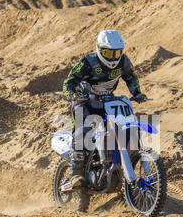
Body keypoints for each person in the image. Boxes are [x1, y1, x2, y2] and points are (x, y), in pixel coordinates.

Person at [62, 29, 147, 187]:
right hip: (84, 101)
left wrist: (137, 93)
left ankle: (114, 165)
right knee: (83, 131)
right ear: (99, 49)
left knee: (119, 129)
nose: (113, 58)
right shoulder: (88, 61)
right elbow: (69, 81)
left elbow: (131, 77)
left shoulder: (123, 62)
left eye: (117, 53)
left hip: (106, 101)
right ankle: (76, 174)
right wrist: (73, 95)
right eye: (108, 53)